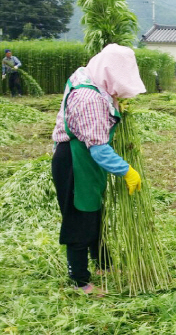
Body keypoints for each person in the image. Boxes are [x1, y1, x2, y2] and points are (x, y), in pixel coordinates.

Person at [51, 44, 146, 295]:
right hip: (75, 159)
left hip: (84, 156)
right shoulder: (89, 98)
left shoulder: (90, 77)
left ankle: (103, 263)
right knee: (80, 216)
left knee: (95, 211)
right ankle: (80, 280)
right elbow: (99, 149)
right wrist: (127, 170)